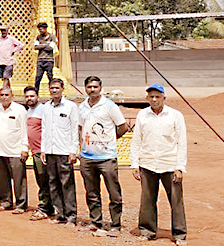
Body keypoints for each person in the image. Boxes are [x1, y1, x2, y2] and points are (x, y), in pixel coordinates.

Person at [131, 84, 187, 245]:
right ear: (147, 98)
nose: (154, 99)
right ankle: (147, 231)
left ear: (164, 98)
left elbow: (181, 142)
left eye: (157, 96)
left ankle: (179, 235)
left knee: (176, 201)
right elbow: (137, 140)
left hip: (170, 164)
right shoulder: (142, 115)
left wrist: (180, 167)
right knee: (148, 200)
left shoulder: (176, 116)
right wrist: (135, 164)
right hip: (148, 164)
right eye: (151, 97)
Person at [79, 75, 128, 237]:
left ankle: (115, 224)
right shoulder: (82, 107)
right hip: (87, 157)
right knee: (91, 192)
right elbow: (80, 128)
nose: (92, 90)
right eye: (89, 87)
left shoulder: (109, 105)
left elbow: (123, 126)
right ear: (85, 88)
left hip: (106, 157)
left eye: (95, 87)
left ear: (100, 88)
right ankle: (95, 221)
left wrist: (110, 140)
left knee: (113, 192)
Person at [41, 78, 79, 227]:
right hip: (50, 151)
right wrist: (43, 149)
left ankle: (71, 215)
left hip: (64, 151)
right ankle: (60, 214)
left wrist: (73, 150)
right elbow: (44, 129)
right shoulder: (46, 107)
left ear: (62, 89)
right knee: (53, 183)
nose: (54, 90)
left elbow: (74, 129)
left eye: (57, 88)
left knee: (67, 184)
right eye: (52, 88)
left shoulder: (70, 107)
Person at [0, 87, 29, 214]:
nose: (4, 97)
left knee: (19, 180)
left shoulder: (19, 110)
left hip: (15, 150)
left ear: (12, 95)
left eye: (7, 95)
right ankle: (5, 202)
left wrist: (24, 148)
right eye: (2, 95)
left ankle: (21, 204)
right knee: (1, 179)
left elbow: (24, 130)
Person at [24, 85, 54, 221]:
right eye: (27, 96)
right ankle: (49, 206)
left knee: (45, 180)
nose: (29, 98)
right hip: (34, 151)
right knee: (41, 179)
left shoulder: (43, 110)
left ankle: (44, 207)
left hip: (43, 152)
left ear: (37, 96)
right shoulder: (28, 111)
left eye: (32, 96)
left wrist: (44, 149)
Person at [32, 22, 57, 96]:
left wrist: (41, 45)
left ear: (45, 29)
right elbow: (36, 47)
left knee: (50, 77)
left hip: (49, 60)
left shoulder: (52, 37)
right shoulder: (38, 37)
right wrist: (46, 45)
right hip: (40, 60)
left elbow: (50, 48)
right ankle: (36, 94)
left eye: (42, 29)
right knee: (38, 77)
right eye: (39, 30)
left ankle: (53, 93)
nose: (40, 31)